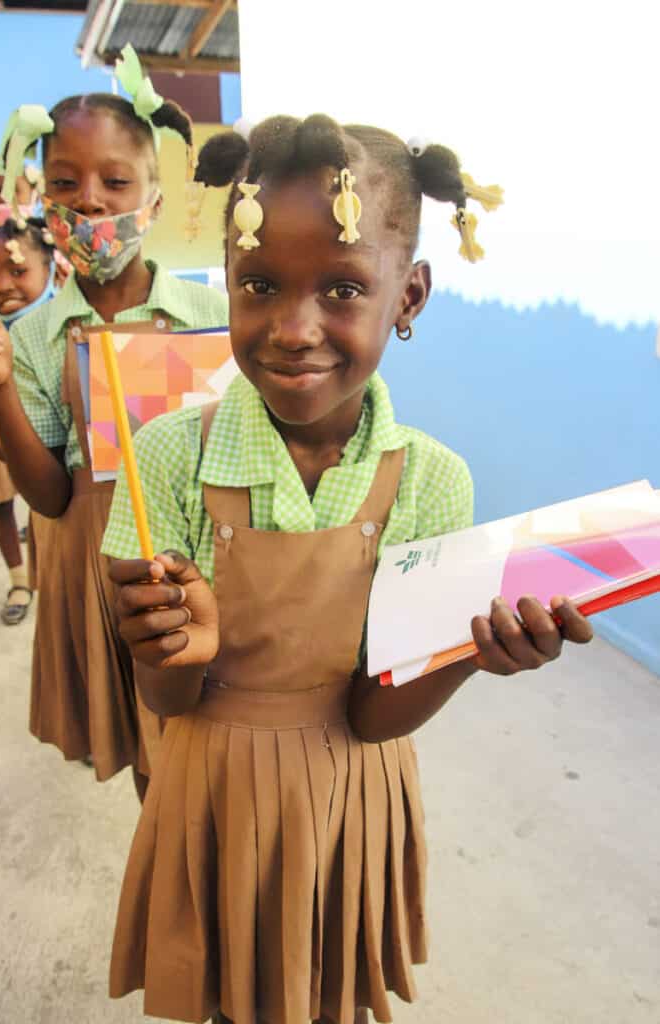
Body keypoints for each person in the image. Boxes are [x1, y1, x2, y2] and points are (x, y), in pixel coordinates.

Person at [103, 114, 593, 1023]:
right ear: (228, 283)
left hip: (346, 799)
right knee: (217, 985)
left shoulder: (432, 481)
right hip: (207, 783)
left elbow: (374, 717)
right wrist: (167, 647)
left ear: (407, 297)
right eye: (259, 285)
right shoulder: (167, 456)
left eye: (341, 289)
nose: (294, 330)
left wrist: (466, 658)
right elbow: (167, 706)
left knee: (323, 987)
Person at [0, 49, 228, 794]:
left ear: (152, 201)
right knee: (151, 758)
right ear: (44, 203)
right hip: (103, 570)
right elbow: (51, 498)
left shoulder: (214, 318)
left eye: (115, 182)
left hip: (207, 566)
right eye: (64, 183)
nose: (89, 201)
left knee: (212, 742)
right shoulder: (34, 337)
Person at [0, 216, 57, 623]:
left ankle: (37, 573)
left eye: (18, 270)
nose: (2, 285)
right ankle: (18, 578)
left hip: (57, 495)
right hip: (0, 440)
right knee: (0, 497)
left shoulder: (63, 335)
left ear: (51, 266)